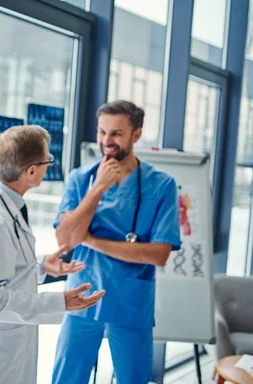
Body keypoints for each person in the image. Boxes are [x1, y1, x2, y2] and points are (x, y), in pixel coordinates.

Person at [0, 125, 105, 384]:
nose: (48, 166)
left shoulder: (5, 205)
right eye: (48, 160)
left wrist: (42, 266)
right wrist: (60, 302)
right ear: (32, 170)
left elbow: (2, 269)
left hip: (4, 345)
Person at [51, 100, 181, 384]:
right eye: (102, 132)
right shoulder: (80, 180)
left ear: (136, 134)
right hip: (81, 298)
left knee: (133, 379)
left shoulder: (162, 185)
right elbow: (65, 240)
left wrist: (90, 240)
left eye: (116, 134)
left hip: (130, 303)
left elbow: (159, 254)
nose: (106, 141)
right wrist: (98, 188)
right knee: (66, 379)